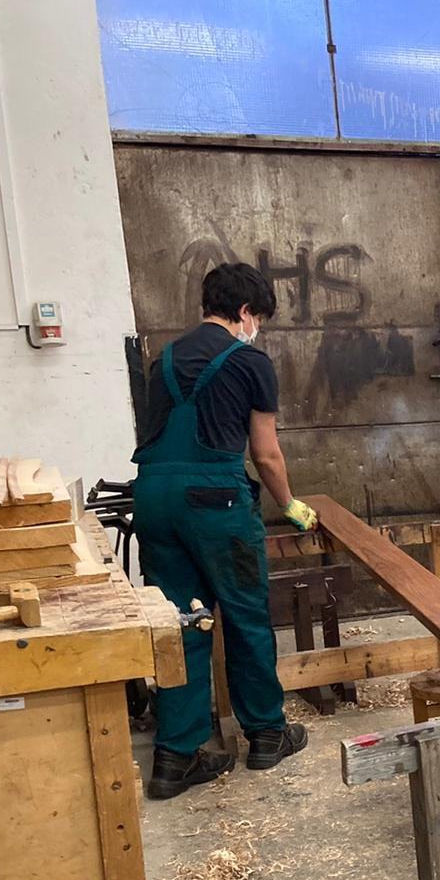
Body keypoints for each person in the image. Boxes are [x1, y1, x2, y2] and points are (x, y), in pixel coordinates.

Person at [132, 263, 315, 799]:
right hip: (215, 502)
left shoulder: (164, 359)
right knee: (244, 615)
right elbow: (265, 453)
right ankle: (266, 734)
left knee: (183, 621)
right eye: (259, 318)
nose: (257, 328)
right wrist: (290, 503)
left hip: (154, 498)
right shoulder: (250, 361)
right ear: (245, 312)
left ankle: (175, 758)